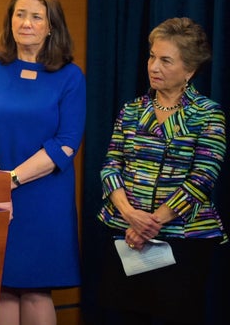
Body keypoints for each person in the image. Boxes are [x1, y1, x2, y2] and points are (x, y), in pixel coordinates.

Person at [0, 0, 86, 324]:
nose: (25, 23)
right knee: (1, 286)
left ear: (51, 26)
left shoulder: (70, 76)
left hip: (45, 197)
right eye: (20, 14)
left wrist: (11, 181)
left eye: (36, 17)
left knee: (36, 289)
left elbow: (66, 142)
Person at [97, 17, 227, 325]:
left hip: (183, 241)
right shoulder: (131, 111)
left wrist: (150, 224)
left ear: (189, 69)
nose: (153, 66)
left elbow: (202, 179)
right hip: (125, 234)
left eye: (165, 60)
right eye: (152, 56)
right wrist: (131, 216)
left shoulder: (208, 114)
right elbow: (111, 165)